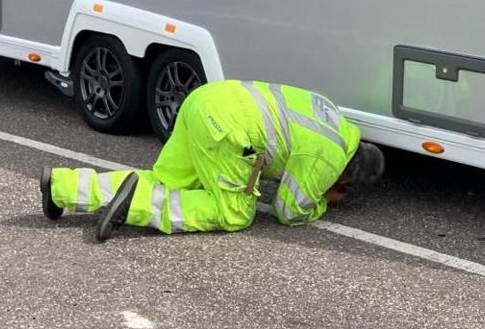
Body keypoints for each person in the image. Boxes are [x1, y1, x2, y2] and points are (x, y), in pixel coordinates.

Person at [40, 79, 385, 240]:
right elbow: (290, 211)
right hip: (229, 130)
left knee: (165, 180)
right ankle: (132, 208)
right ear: (347, 175)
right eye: (344, 187)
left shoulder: (333, 117)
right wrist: (322, 201)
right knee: (233, 213)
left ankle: (61, 186)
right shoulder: (328, 158)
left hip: (205, 100)